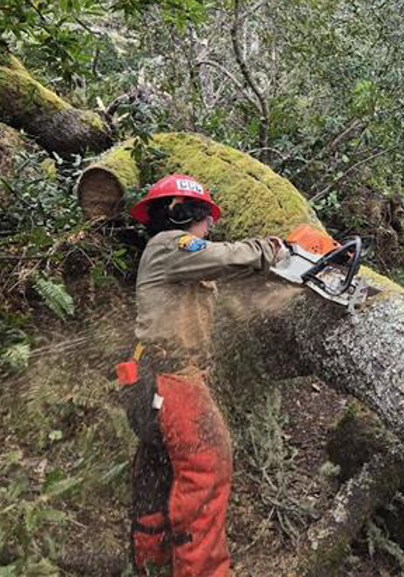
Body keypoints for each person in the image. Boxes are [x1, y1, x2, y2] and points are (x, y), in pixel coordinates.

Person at [120, 173, 286, 576]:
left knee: (157, 470)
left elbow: (224, 273)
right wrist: (273, 248)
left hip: (151, 380)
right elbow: (226, 255)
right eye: (205, 219)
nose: (209, 227)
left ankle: (151, 562)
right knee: (208, 469)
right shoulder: (171, 245)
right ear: (183, 214)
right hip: (173, 381)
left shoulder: (176, 258)